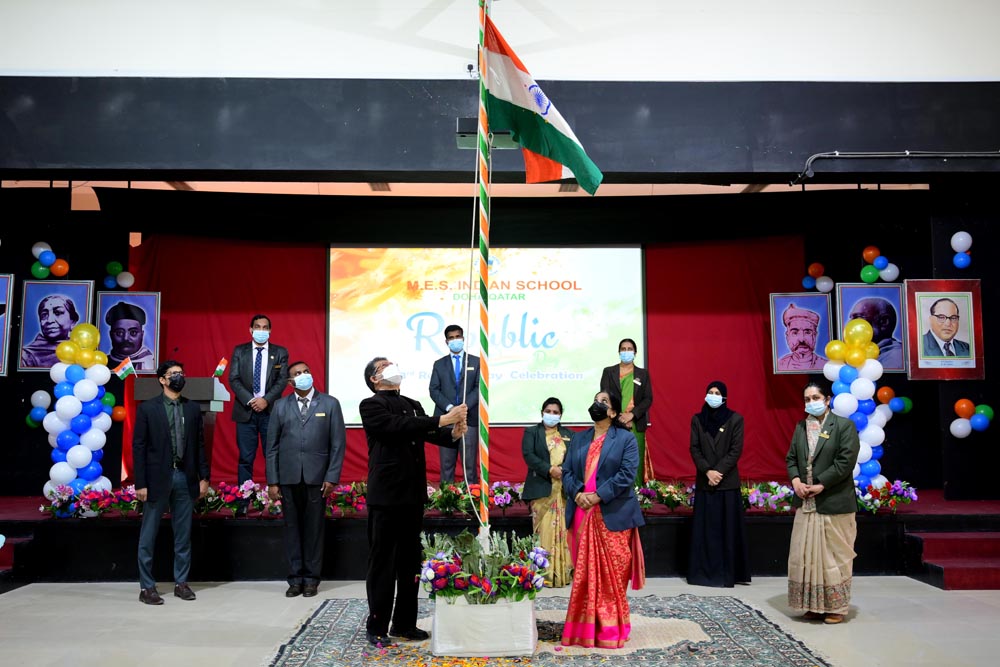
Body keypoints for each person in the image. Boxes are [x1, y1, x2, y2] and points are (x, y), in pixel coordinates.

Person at [360, 356, 468, 646]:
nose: (392, 367)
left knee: (410, 563)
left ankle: (404, 623)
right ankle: (377, 625)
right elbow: (398, 426)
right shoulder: (371, 405)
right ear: (374, 378)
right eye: (384, 366)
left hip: (412, 494)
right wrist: (443, 418)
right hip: (386, 495)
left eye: (392, 363)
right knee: (383, 562)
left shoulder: (412, 403)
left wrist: (453, 432)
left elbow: (428, 431)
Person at [560, 391, 645, 649]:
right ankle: (582, 630)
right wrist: (578, 494)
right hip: (581, 512)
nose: (597, 404)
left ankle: (610, 629)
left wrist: (597, 496)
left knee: (612, 577)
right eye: (596, 399)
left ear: (613, 412)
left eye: (604, 402)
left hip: (613, 514)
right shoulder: (578, 438)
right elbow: (567, 472)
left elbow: (627, 474)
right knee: (584, 576)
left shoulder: (626, 439)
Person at [265, 360, 346, 598]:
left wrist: (332, 476)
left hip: (317, 478)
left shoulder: (330, 403)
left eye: (306, 371)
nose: (303, 375)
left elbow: (338, 444)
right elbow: (272, 446)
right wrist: (273, 481)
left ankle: (311, 579)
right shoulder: (280, 405)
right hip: (288, 476)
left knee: (314, 530)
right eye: (297, 373)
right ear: (290, 382)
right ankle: (295, 579)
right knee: (292, 529)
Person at [133, 360, 210, 605]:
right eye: (173, 373)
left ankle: (181, 583)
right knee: (149, 535)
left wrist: (204, 477)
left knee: (183, 534)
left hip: (185, 477)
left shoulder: (192, 408)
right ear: (162, 379)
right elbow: (139, 447)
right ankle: (147, 587)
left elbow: (199, 445)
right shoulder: (148, 408)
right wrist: (140, 483)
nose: (179, 376)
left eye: (181, 373)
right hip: (157, 479)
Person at [786, 381, 861, 624]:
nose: (811, 403)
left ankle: (836, 607)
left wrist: (821, 484)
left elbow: (845, 461)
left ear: (827, 400)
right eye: (807, 399)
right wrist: (796, 481)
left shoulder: (844, 426)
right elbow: (791, 459)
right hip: (807, 502)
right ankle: (813, 605)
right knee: (806, 556)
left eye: (816, 398)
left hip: (833, 501)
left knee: (833, 557)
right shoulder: (801, 427)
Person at [687, 381, 751, 588]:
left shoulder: (735, 419)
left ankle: (728, 573)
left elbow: (735, 450)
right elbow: (694, 448)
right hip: (705, 482)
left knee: (727, 531)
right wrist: (708, 471)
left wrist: (718, 472)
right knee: (706, 532)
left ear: (724, 397)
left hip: (727, 483)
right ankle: (702, 573)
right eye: (710, 392)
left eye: (717, 393)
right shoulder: (697, 420)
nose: (713, 395)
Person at [229, 314, 289, 512]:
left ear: (270, 330)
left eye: (265, 327)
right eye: (257, 327)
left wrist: (266, 400)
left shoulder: (280, 352)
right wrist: (251, 400)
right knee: (245, 458)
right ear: (250, 329)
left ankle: (276, 500)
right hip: (245, 411)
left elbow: (282, 380)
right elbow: (234, 379)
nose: (261, 330)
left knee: (272, 455)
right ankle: (244, 501)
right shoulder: (240, 351)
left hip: (270, 411)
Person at [520, 397, 575, 587]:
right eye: (548, 411)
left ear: (561, 415)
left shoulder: (569, 434)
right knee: (543, 532)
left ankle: (562, 573)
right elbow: (529, 455)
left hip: (563, 491)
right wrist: (549, 469)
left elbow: (574, 458)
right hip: (541, 489)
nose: (551, 415)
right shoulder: (532, 432)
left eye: (555, 412)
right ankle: (543, 575)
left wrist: (563, 471)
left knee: (563, 532)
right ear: (542, 412)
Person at [429, 324, 481, 484]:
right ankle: (447, 497)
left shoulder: (476, 361)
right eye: (451, 338)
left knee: (469, 465)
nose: (455, 340)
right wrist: (451, 409)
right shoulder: (439, 364)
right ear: (446, 342)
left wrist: (463, 408)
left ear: (463, 338)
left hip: (469, 419)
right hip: (446, 420)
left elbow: (479, 388)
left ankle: (472, 496)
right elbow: (434, 389)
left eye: (457, 337)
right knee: (446, 465)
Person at [600, 338, 654, 485]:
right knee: (614, 459)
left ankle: (636, 493)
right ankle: (613, 491)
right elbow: (604, 397)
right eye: (623, 349)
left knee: (634, 460)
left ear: (635, 353)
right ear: (619, 352)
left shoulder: (643, 374)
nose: (626, 352)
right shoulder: (609, 372)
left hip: (635, 423)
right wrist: (619, 417)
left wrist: (632, 414)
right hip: (614, 422)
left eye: (629, 349)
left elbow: (648, 399)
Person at [20, 294, 79, 368]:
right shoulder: (25, 356)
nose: (49, 320)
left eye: (58, 313)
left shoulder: (81, 351)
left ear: (73, 322)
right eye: (44, 315)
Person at [848, 297, 903, 369]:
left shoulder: (895, 357)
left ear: (884, 322)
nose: (850, 324)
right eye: (851, 318)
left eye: (858, 317)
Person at [777, 303, 828, 371]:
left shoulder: (825, 366)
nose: (801, 339)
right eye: (795, 333)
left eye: (807, 332)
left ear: (815, 335)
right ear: (787, 336)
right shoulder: (779, 365)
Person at [106, 301, 156, 370]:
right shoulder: (103, 363)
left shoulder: (152, 364)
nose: (125, 338)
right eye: (119, 333)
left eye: (133, 332)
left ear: (142, 335)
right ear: (111, 335)